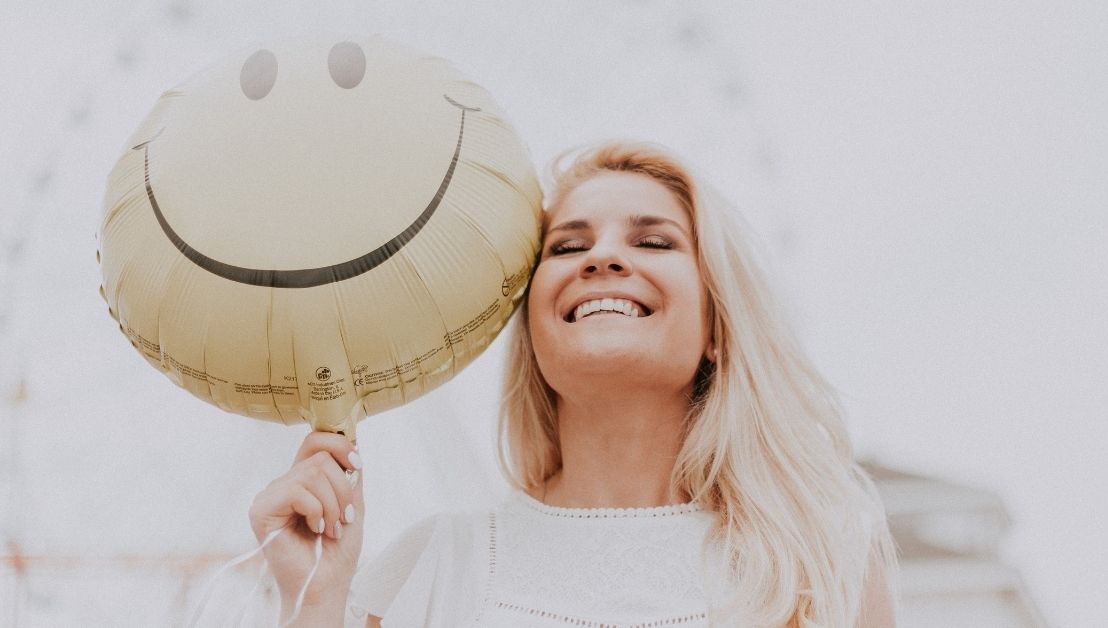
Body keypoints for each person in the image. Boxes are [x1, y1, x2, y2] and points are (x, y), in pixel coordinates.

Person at [249, 142, 899, 627]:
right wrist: (314, 599)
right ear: (533, 331)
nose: (602, 257)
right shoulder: (433, 568)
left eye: (654, 241)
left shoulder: (821, 564)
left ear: (717, 328)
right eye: (566, 247)